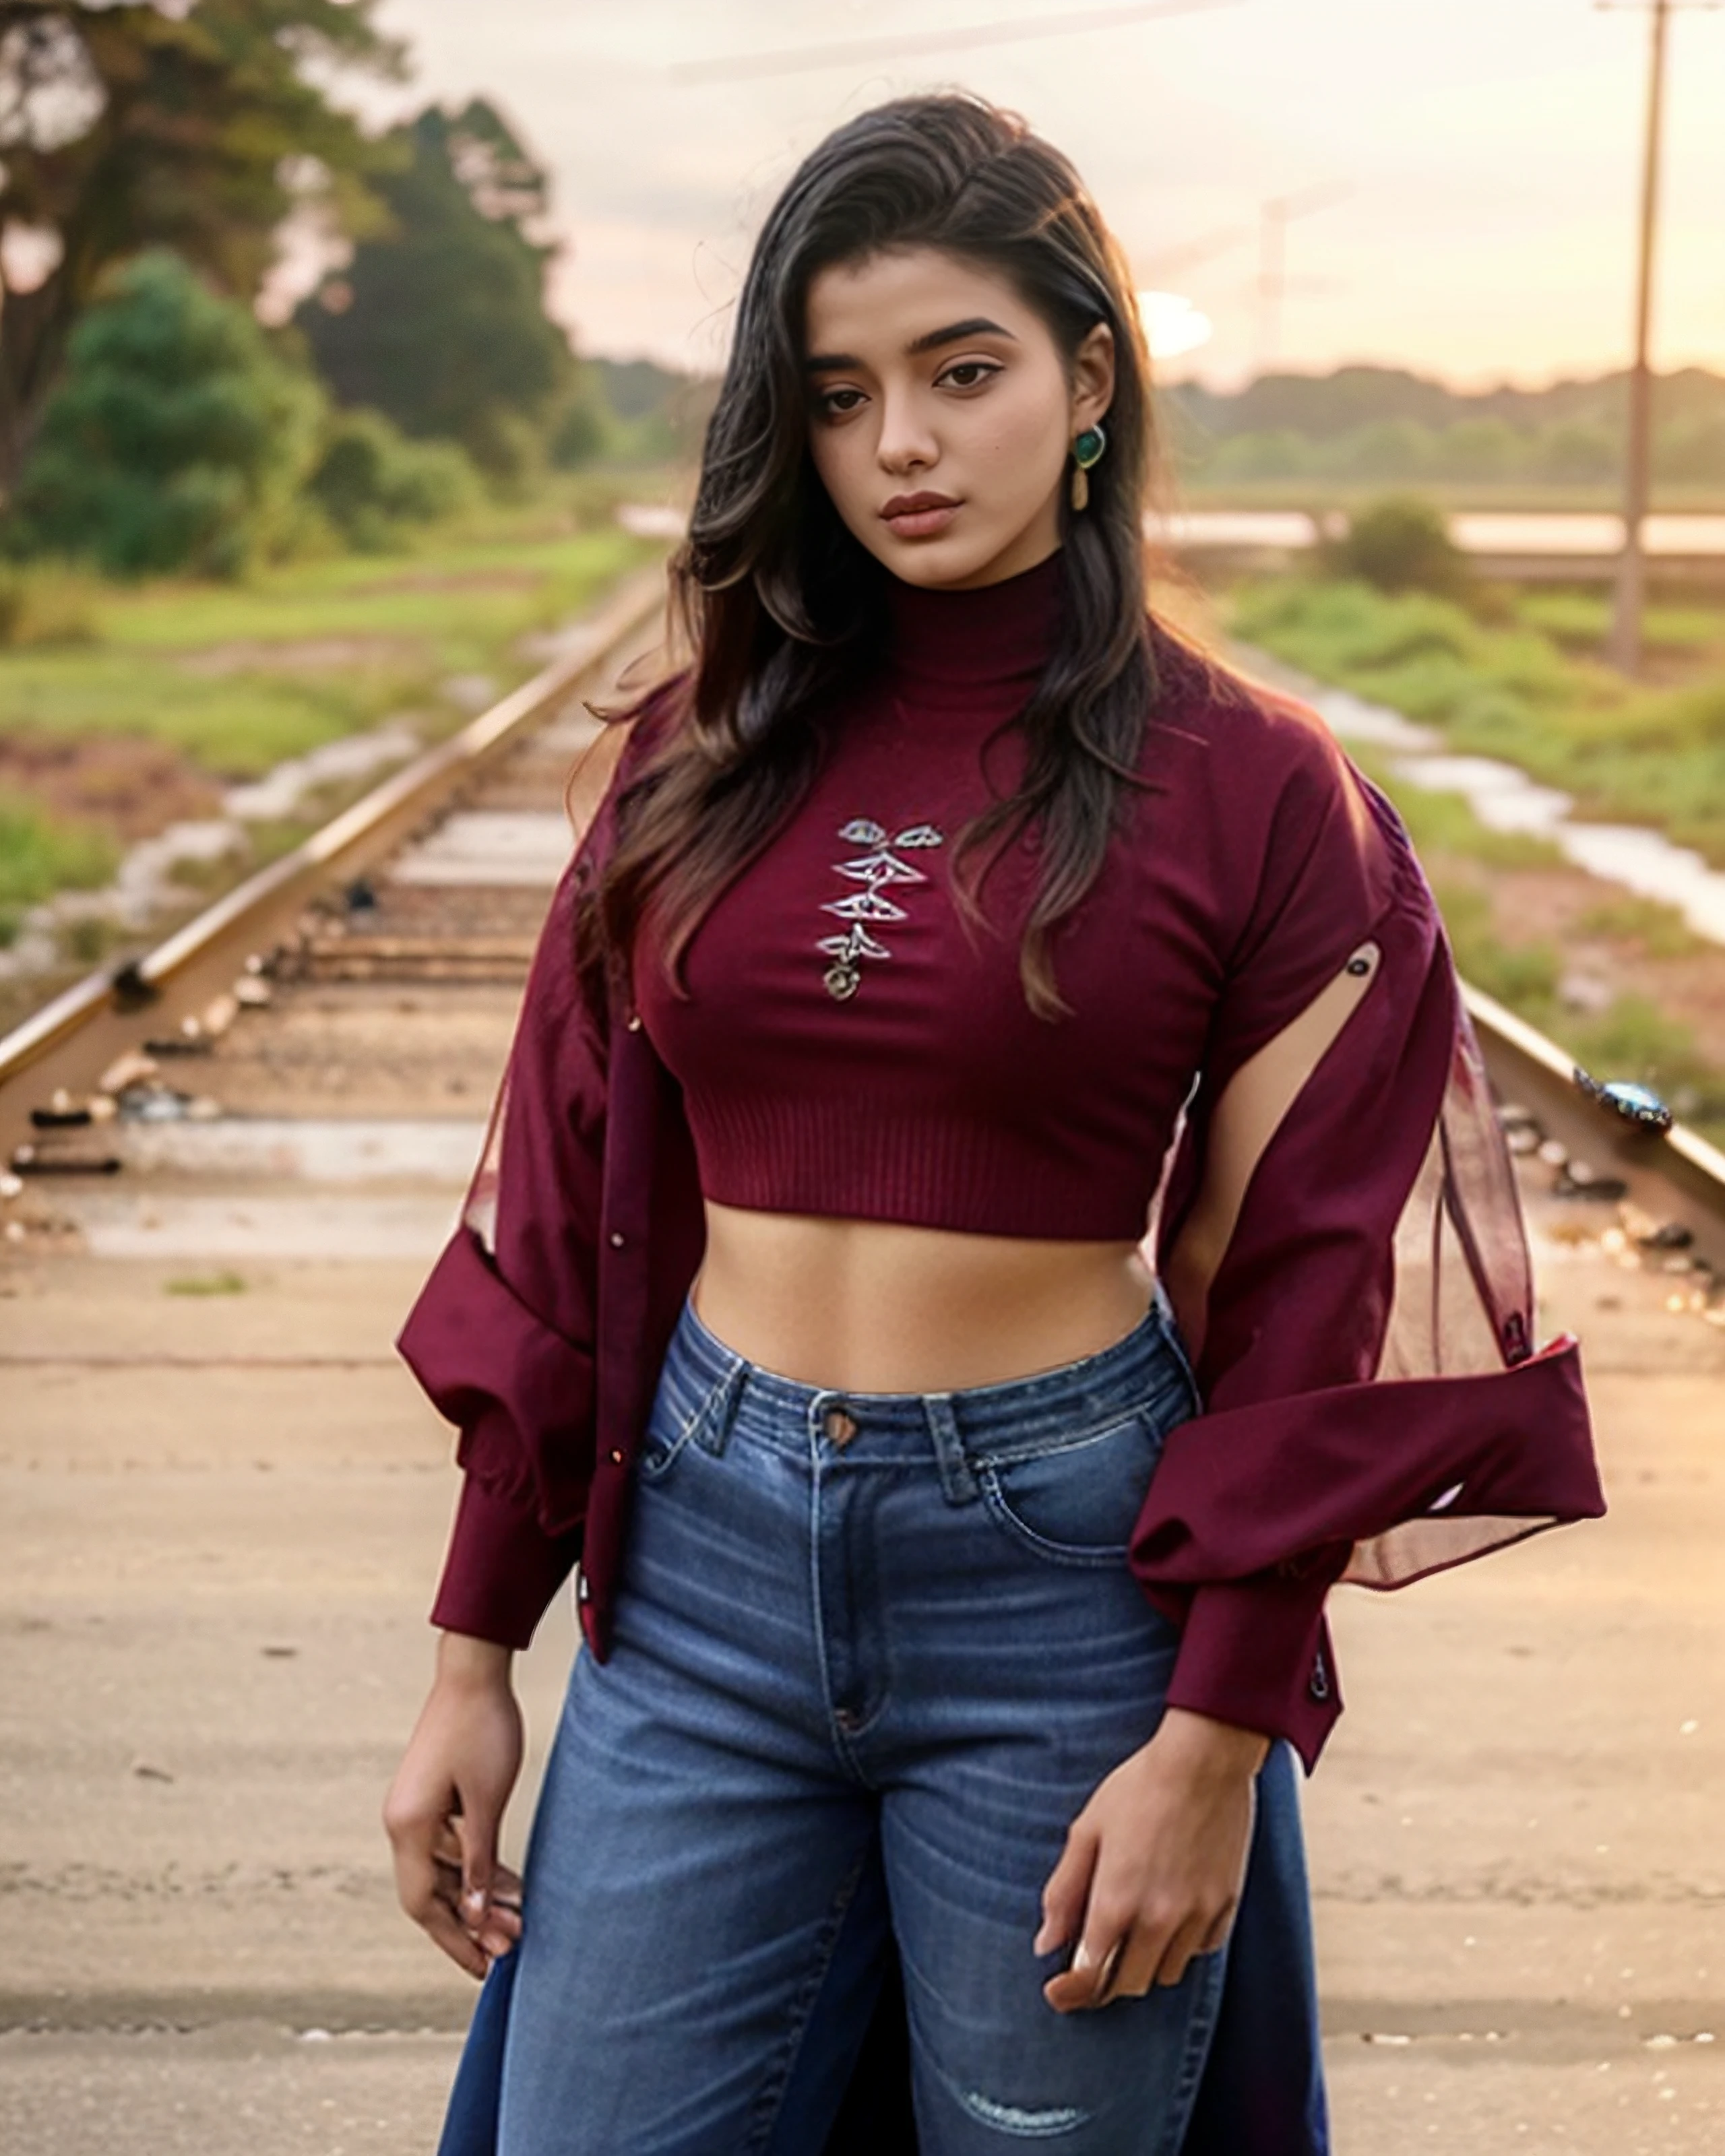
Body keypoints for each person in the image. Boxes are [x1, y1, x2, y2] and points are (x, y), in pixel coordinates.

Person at [383, 92, 1604, 2156]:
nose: (904, 448)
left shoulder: (1261, 793)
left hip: (1064, 1588)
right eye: (842, 395)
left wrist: (1215, 1735)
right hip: (701, 1571)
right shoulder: (693, 755)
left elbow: (1301, 1284)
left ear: (1092, 377)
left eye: (965, 374)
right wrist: (469, 1654)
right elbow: (568, 1191)